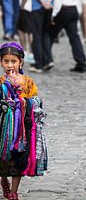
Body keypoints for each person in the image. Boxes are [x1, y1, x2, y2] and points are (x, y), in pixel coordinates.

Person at [0, 42, 47, 200]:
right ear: (1, 63)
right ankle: (3, 180)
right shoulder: (0, 82)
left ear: (21, 62)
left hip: (21, 130)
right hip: (3, 129)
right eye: (6, 61)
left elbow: (35, 100)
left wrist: (25, 100)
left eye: (13, 61)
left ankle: (14, 192)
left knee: (18, 160)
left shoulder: (27, 82)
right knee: (3, 160)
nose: (10, 65)